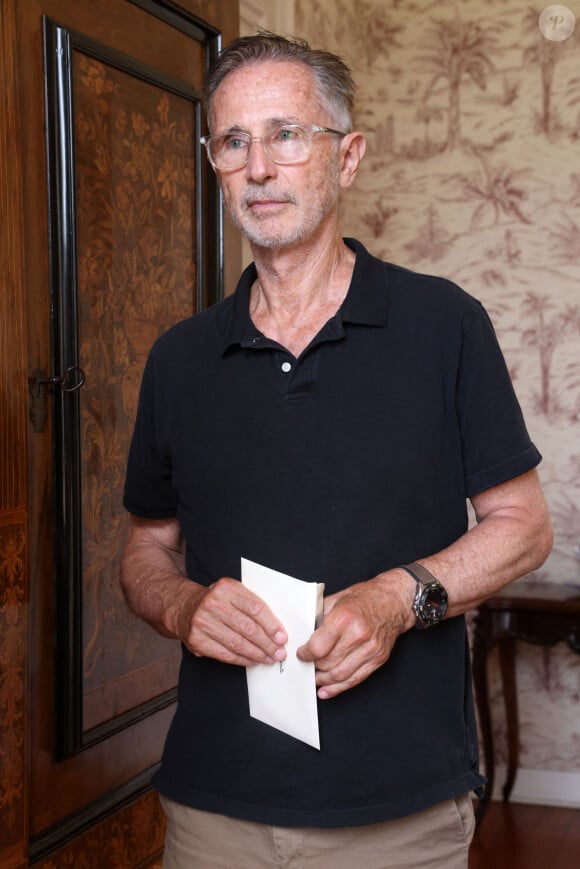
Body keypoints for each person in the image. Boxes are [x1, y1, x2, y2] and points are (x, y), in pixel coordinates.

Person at [120, 32, 553, 869]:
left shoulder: (445, 326)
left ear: (347, 157)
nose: (259, 167)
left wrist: (402, 595)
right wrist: (182, 607)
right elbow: (145, 551)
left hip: (399, 811)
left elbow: (523, 526)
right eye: (233, 141)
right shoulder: (178, 357)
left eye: (287, 134)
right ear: (214, 164)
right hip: (214, 805)